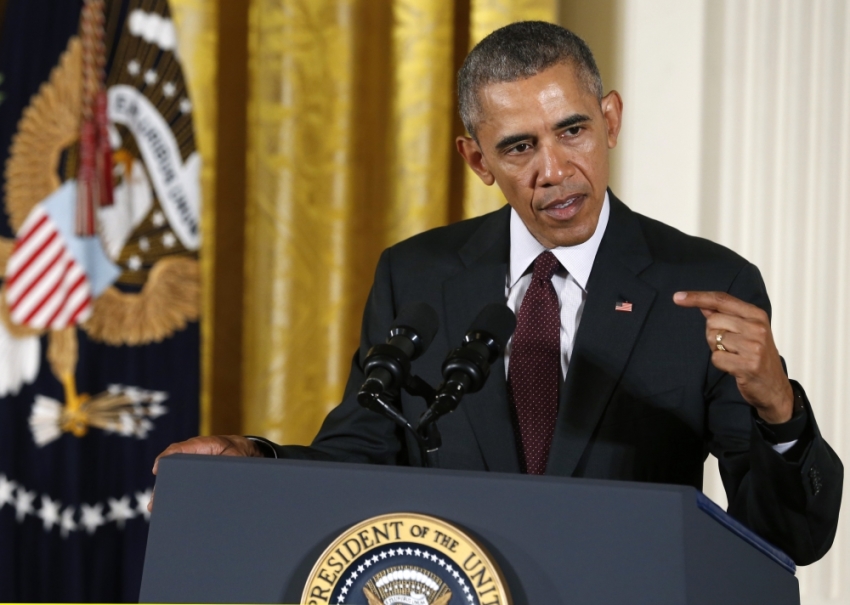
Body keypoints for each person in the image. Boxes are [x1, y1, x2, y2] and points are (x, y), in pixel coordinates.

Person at [152, 21, 842, 564]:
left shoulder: (705, 284)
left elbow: (790, 537)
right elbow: (360, 456)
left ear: (611, 120)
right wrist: (254, 460)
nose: (553, 169)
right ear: (477, 159)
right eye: (518, 147)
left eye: (572, 130)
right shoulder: (417, 276)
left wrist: (778, 404)